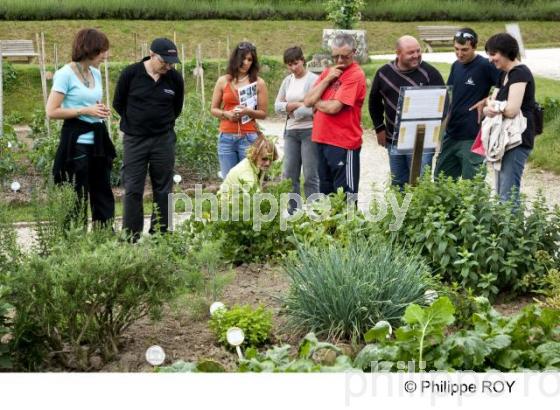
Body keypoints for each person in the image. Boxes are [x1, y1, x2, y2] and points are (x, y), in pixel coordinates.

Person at [113, 37, 184, 241]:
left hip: (163, 139)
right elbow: (119, 103)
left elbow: (176, 108)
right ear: (152, 54)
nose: (168, 67)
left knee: (163, 186)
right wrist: (137, 123)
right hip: (135, 140)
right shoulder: (131, 74)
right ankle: (131, 235)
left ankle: (161, 233)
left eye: (172, 63)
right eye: (164, 62)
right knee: (133, 187)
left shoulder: (174, 79)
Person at [47, 28, 115, 227]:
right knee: (77, 193)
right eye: (102, 50)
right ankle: (74, 242)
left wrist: (99, 110)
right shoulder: (64, 74)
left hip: (98, 142)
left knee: (102, 191)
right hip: (77, 143)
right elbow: (51, 111)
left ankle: (104, 238)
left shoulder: (95, 72)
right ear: (89, 49)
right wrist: (86, 110)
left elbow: (94, 102)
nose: (105, 55)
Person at [369, 35, 445, 188]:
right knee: (398, 183)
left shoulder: (430, 73)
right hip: (394, 139)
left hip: (421, 140)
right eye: (411, 52)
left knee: (419, 184)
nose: (416, 55)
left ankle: (419, 212)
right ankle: (401, 212)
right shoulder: (384, 73)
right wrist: (379, 127)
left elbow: (443, 103)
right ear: (398, 53)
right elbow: (374, 102)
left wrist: (438, 134)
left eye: (418, 51)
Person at [303, 33, 366, 197]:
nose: (339, 61)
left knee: (346, 196)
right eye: (335, 56)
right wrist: (326, 80)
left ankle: (348, 223)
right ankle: (330, 225)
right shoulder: (329, 73)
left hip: (343, 143)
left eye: (344, 56)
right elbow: (308, 101)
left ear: (353, 52)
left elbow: (334, 108)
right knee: (326, 194)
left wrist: (317, 102)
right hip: (321, 139)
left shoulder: (355, 75)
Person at [435, 28, 500, 180]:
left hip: (473, 135)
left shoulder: (486, 65)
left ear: (474, 47)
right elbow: (450, 95)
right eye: (456, 49)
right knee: (441, 180)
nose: (460, 54)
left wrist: (486, 100)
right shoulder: (455, 66)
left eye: (465, 50)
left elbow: (506, 86)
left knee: (472, 186)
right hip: (451, 133)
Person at [483, 33, 536, 205]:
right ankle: (502, 230)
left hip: (517, 138)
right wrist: (490, 107)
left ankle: (512, 231)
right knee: (500, 193)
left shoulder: (520, 73)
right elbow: (491, 102)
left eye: (493, 54)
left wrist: (493, 107)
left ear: (505, 52)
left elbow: (512, 109)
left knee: (508, 195)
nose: (491, 59)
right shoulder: (503, 74)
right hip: (503, 138)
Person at [210, 42, 268, 179]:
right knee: (229, 180)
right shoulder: (223, 81)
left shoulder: (258, 83)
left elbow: (263, 113)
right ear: (236, 58)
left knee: (249, 180)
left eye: (250, 60)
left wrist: (248, 111)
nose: (246, 63)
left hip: (248, 137)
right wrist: (226, 114)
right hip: (226, 137)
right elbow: (213, 109)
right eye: (243, 58)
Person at [274, 46, 319, 212]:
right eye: (290, 65)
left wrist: (295, 111)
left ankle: (315, 212)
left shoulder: (314, 80)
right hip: (291, 132)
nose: (294, 67)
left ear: (303, 60)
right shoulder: (287, 81)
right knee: (289, 174)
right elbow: (277, 106)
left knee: (310, 174)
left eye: (296, 63)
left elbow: (315, 108)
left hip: (310, 131)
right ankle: (294, 212)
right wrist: (296, 105)